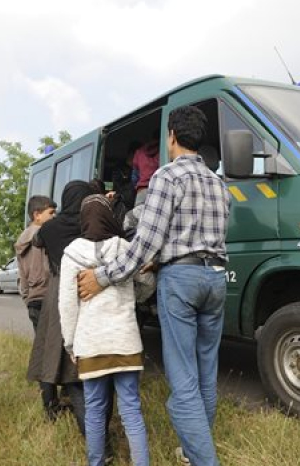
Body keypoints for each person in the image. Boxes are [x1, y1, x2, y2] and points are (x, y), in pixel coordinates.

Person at [78, 106, 231, 466]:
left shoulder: (167, 177)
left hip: (181, 280)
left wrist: (101, 277)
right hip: (216, 278)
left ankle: (205, 460)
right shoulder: (219, 184)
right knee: (207, 371)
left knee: (183, 379)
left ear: (172, 136)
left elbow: (145, 245)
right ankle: (193, 452)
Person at [59, 194, 153, 466]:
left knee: (95, 410)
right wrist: (132, 298)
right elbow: (147, 281)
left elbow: (67, 304)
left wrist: (70, 343)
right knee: (131, 410)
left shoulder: (71, 254)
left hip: (91, 341)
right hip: (125, 339)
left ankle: (96, 462)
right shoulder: (125, 247)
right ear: (110, 217)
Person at [27, 180, 115, 456]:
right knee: (102, 370)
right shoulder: (89, 221)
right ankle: (101, 438)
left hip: (59, 297)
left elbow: (36, 240)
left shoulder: (50, 228)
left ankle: (96, 442)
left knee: (72, 373)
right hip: (95, 293)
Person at [15, 195, 57, 332]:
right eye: (51, 212)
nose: (55, 216)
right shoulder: (43, 235)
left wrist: (27, 299)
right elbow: (47, 269)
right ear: (37, 215)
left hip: (33, 300)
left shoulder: (21, 239)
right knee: (52, 347)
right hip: (47, 296)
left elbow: (22, 275)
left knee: (40, 345)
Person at [131, 139, 159, 206]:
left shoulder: (139, 152)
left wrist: (137, 187)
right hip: (158, 191)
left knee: (138, 215)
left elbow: (134, 176)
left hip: (142, 190)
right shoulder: (165, 150)